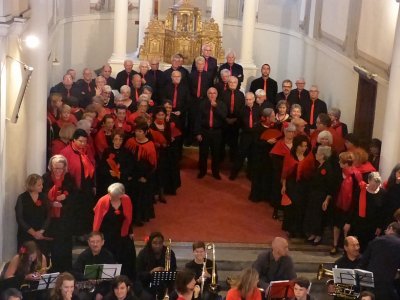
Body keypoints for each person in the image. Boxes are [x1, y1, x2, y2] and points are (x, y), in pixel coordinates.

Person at [93, 183, 136, 280]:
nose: (112, 198)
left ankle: (126, 281)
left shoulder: (126, 199)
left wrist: (130, 231)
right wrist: (96, 237)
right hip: (107, 236)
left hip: (122, 234)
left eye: (115, 196)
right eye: (111, 195)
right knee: (110, 259)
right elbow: (97, 221)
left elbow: (128, 217)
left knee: (127, 257)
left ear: (122, 195)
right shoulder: (103, 201)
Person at [42, 155, 76, 272]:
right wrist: (51, 203)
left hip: (65, 218)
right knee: (53, 245)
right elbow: (42, 195)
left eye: (60, 168)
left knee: (65, 245)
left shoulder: (68, 178)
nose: (58, 171)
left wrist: (65, 199)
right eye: (56, 168)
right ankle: (53, 270)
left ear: (65, 168)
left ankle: (66, 270)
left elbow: (75, 196)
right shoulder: (46, 178)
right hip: (50, 219)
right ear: (51, 167)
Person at [60, 129, 96, 239]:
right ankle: (78, 234)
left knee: (87, 210)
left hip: (87, 186)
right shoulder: (66, 152)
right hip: (74, 187)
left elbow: (92, 166)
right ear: (74, 140)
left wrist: (94, 184)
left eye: (85, 141)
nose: (83, 144)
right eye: (80, 141)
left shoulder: (86, 150)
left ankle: (86, 232)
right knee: (77, 211)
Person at [281, 134, 314, 238]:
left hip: (304, 185)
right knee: (292, 207)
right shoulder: (290, 155)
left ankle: (300, 229)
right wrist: (284, 186)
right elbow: (285, 172)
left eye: (305, 146)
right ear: (296, 145)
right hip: (292, 184)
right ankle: (291, 229)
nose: (304, 148)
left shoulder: (308, 156)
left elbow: (311, 171)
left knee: (302, 207)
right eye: (302, 146)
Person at [330, 151, 363, 255]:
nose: (339, 162)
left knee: (346, 228)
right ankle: (335, 245)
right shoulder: (338, 172)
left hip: (350, 205)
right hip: (338, 203)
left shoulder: (355, 175)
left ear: (345, 163)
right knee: (336, 225)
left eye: (341, 161)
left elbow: (357, 192)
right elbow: (334, 187)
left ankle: (346, 249)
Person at [125, 121, 156, 226]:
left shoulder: (150, 145)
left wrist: (145, 177)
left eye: (140, 131)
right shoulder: (130, 142)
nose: (138, 133)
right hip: (131, 175)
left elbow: (153, 164)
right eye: (136, 131)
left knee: (141, 199)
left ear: (146, 132)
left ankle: (139, 218)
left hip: (143, 177)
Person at [359, 222, 400, 300]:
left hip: (370, 285)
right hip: (388, 287)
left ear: (390, 228)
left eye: (386, 230)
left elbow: (363, 262)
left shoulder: (376, 240)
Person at [303, 146, 335, 245]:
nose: (315, 155)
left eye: (317, 153)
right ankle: (313, 233)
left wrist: (327, 199)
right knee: (313, 215)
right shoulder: (320, 165)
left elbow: (329, 185)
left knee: (319, 216)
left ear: (322, 155)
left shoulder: (327, 168)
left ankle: (318, 235)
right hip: (314, 195)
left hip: (321, 196)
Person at [194, 87, 228, 180]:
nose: (212, 95)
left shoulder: (221, 104)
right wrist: (198, 133)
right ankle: (202, 171)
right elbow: (197, 119)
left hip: (217, 132)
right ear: (207, 94)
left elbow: (224, 117)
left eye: (214, 93)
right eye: (210, 93)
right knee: (203, 154)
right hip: (204, 131)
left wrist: (215, 107)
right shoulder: (202, 104)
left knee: (216, 154)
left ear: (217, 94)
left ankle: (215, 172)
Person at [348, 172, 385, 252]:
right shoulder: (360, 190)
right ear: (368, 180)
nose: (375, 187)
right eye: (373, 185)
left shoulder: (382, 193)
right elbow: (354, 207)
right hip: (360, 223)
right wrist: (349, 222)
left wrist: (380, 226)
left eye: (377, 185)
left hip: (374, 225)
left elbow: (382, 212)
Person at [248, 107, 279, 202]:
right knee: (258, 176)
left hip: (270, 157)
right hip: (259, 156)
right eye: (273, 116)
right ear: (267, 118)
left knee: (267, 176)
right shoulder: (257, 127)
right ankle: (256, 196)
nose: (275, 117)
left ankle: (266, 196)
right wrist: (267, 142)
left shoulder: (275, 127)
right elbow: (254, 143)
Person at [229, 92, 261, 181]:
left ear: (254, 99)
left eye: (250, 99)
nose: (248, 101)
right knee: (240, 155)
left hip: (255, 135)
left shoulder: (259, 109)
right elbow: (238, 123)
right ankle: (234, 173)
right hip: (245, 135)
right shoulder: (241, 110)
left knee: (253, 155)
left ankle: (250, 174)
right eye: (246, 99)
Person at [136, 232, 177, 300]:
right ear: (150, 243)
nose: (157, 245)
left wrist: (165, 271)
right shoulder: (143, 254)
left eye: (160, 243)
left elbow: (173, 269)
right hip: (147, 284)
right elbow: (138, 273)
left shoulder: (169, 252)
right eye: (154, 243)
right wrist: (151, 272)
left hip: (165, 284)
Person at [15, 174, 51, 251]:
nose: (42, 186)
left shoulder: (44, 197)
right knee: (25, 259)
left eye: (42, 184)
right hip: (26, 234)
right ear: (32, 186)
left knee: (41, 258)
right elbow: (19, 218)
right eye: (39, 185)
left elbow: (48, 216)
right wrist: (34, 233)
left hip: (41, 234)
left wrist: (41, 231)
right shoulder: (22, 198)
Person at [97, 129, 134, 197]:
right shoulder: (107, 151)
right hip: (109, 180)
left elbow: (130, 167)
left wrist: (120, 173)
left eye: (120, 140)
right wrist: (109, 172)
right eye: (116, 139)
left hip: (122, 180)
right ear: (112, 140)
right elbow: (102, 166)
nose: (118, 142)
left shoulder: (126, 152)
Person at [221, 76, 245, 163]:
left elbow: (243, 109)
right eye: (230, 82)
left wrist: (236, 119)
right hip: (224, 121)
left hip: (236, 122)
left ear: (237, 83)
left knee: (234, 143)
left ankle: (233, 159)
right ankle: (221, 158)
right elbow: (220, 108)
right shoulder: (222, 94)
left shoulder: (241, 95)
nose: (232, 84)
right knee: (222, 142)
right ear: (227, 83)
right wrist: (225, 118)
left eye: (234, 82)